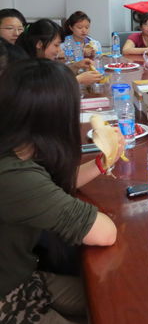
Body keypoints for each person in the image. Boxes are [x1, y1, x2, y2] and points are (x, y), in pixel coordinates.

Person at [0, 59, 121, 322]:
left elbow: (50, 186)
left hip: (25, 278)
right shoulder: (14, 177)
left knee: (120, 299)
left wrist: (101, 163)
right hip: (9, 298)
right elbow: (104, 233)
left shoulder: (17, 148)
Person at [16, 19, 102, 86]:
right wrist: (78, 80)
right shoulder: (27, 68)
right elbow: (46, 88)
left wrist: (76, 66)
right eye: (56, 45)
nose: (59, 50)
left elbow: (56, 77)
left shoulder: (42, 62)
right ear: (39, 44)